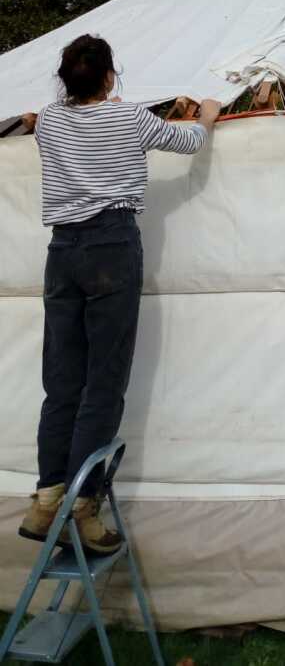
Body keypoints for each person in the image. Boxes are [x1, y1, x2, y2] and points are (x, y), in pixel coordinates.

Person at [18, 34, 221, 555]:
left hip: (62, 253)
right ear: (110, 76)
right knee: (103, 384)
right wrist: (208, 114)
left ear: (66, 82)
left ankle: (45, 502)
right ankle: (84, 508)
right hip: (110, 247)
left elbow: (48, 118)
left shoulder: (51, 120)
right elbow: (190, 143)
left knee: (62, 381)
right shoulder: (130, 118)